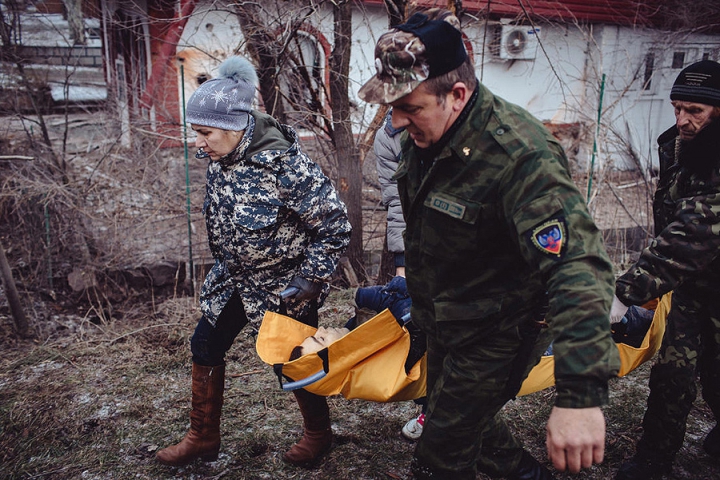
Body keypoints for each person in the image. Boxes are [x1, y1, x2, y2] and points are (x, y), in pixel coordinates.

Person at [358, 9, 620, 480]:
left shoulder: (520, 156)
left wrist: (580, 397)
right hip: (447, 319)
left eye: (410, 107)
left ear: (457, 95)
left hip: (500, 331)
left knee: (442, 451)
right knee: (454, 416)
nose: (395, 122)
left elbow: (578, 267)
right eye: (390, 107)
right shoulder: (426, 139)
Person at [155, 56, 352, 468]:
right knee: (205, 344)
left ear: (234, 127)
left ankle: (319, 433)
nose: (199, 142)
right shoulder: (221, 159)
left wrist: (311, 279)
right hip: (234, 279)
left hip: (285, 287)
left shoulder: (285, 167)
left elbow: (335, 226)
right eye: (197, 133)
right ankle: (202, 437)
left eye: (205, 133)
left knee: (292, 364)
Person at [610, 59, 720, 480]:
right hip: (693, 283)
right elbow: (672, 220)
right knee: (673, 371)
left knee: (716, 372)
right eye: (677, 107)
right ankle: (654, 458)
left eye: (695, 111)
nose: (683, 120)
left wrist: (627, 292)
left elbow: (692, 232)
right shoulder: (675, 144)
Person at [374, 109, 428, 440]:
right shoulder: (388, 138)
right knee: (419, 328)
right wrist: (402, 265)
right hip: (419, 243)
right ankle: (429, 408)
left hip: (468, 241)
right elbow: (397, 203)